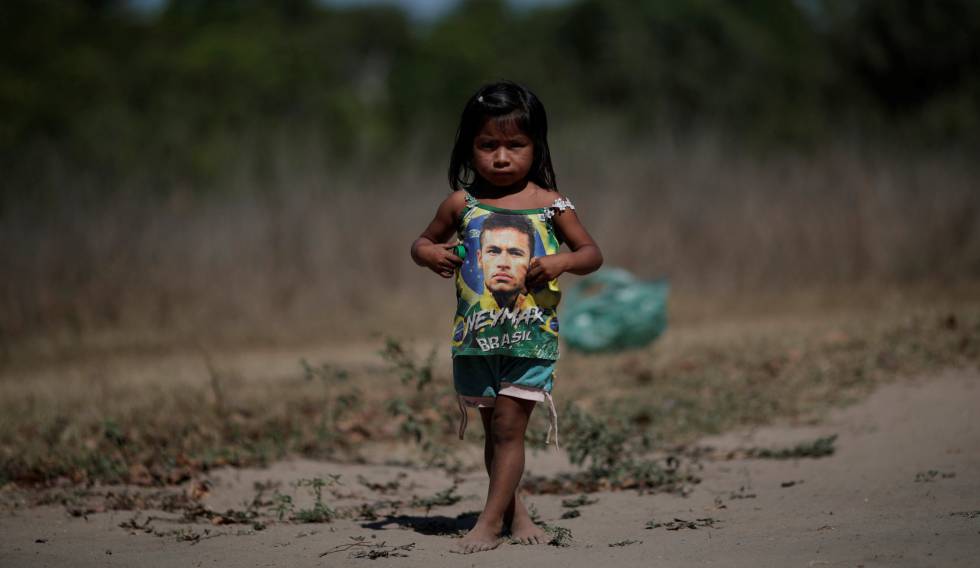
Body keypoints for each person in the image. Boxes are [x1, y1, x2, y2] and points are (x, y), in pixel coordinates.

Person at [410, 80, 603, 553]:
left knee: (510, 430)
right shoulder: (462, 203)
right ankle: (517, 515)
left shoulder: (551, 204)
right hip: (475, 339)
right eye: (487, 145)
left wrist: (560, 262)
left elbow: (591, 253)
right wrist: (431, 254)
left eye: (515, 145)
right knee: (493, 434)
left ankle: (489, 522)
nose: (500, 157)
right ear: (469, 147)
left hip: (529, 339)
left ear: (535, 147)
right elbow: (420, 242)